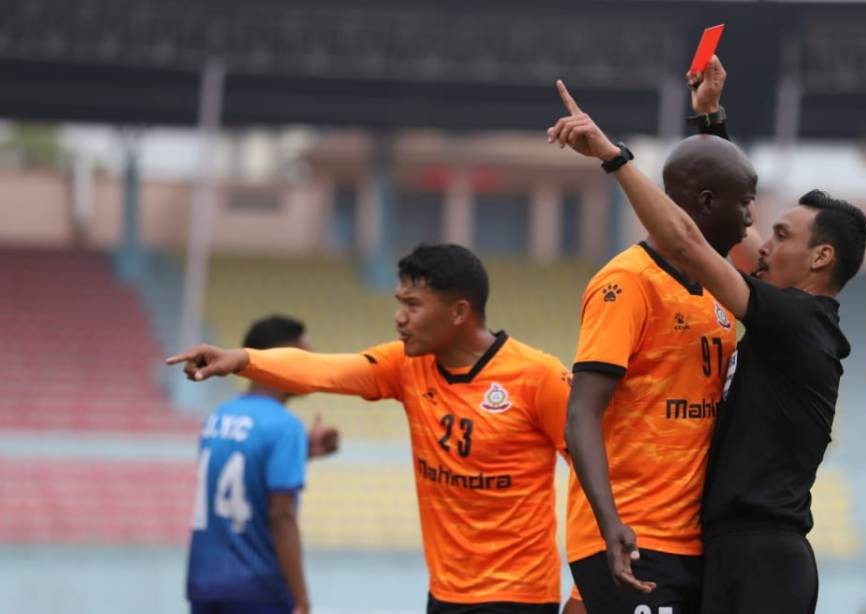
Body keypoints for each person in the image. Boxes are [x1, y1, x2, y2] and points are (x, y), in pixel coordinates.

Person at [548, 74, 866, 614]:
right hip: (711, 547)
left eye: (781, 235)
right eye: (749, 209)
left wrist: (612, 156)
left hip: (762, 555)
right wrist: (711, 123)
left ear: (821, 258)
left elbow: (689, 238)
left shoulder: (798, 320)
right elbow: (713, 215)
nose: (758, 236)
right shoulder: (649, 285)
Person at [168, 244, 573, 614]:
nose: (399, 317)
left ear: (459, 312)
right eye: (400, 303)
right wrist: (243, 360)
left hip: (518, 596)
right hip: (445, 595)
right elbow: (322, 369)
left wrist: (585, 594)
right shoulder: (406, 366)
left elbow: (594, 476)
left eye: (413, 305)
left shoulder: (539, 377)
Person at [560, 56, 758, 614]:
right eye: (745, 204)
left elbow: (715, 205)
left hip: (691, 540)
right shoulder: (628, 282)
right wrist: (610, 526)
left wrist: (711, 118)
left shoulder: (721, 287)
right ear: (705, 205)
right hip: (633, 536)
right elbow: (581, 413)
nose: (751, 218)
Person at [185, 315, 341, 614]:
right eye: (305, 358)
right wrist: (301, 598)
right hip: (258, 589)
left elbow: (241, 476)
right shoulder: (285, 427)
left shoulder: (218, 417)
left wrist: (304, 452)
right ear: (276, 360)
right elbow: (281, 515)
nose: (312, 368)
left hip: (204, 584)